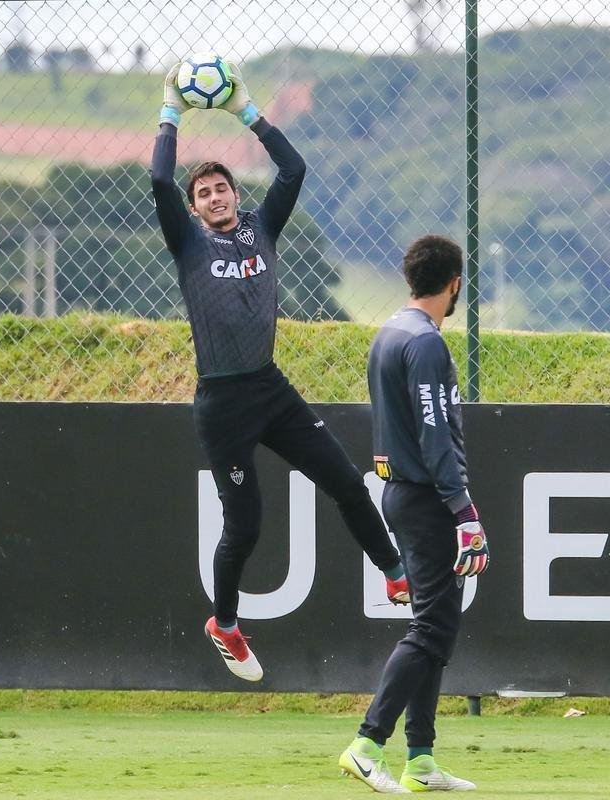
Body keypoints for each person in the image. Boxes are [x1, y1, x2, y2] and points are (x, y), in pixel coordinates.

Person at [150, 61, 409, 682]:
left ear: (238, 196)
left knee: (347, 482)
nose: (215, 197)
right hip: (222, 403)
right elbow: (160, 178)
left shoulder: (263, 228)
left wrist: (248, 113)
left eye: (223, 189)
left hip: (270, 388)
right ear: (195, 207)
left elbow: (294, 170)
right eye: (204, 193)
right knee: (246, 526)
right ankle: (226, 624)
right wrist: (171, 112)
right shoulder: (188, 243)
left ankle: (397, 576)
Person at [338, 235, 488, 793]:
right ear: (454, 285)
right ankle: (367, 743)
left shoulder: (390, 332)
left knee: (438, 625)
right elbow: (434, 435)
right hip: (425, 498)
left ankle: (421, 758)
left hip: (403, 492)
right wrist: (464, 510)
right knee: (430, 627)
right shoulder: (425, 343)